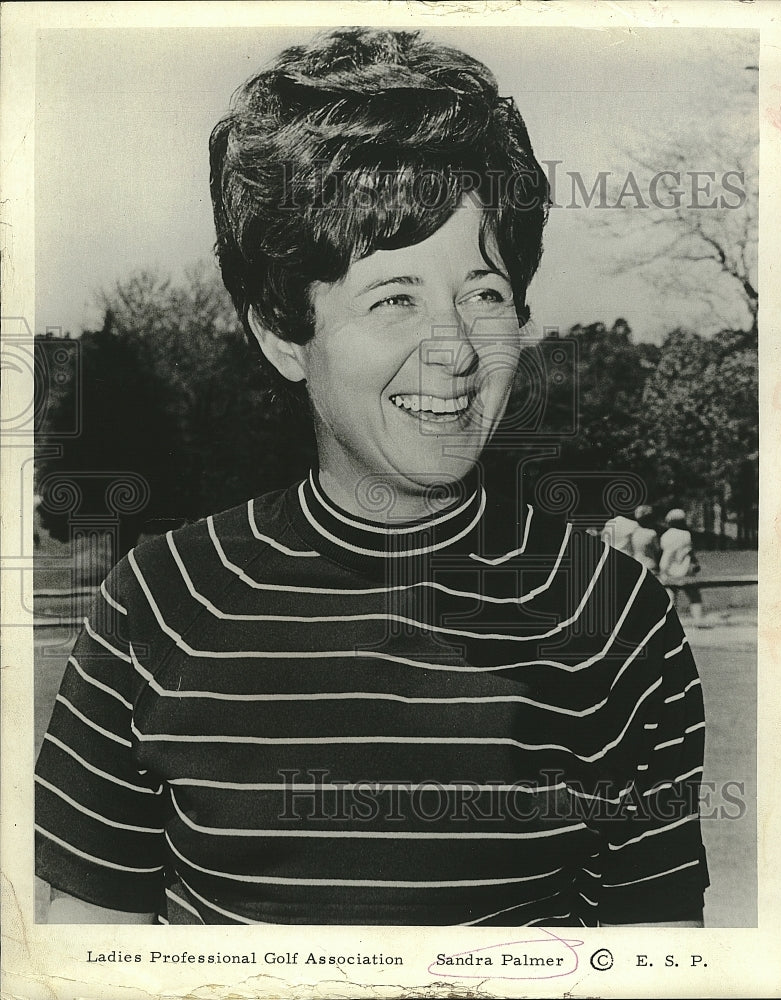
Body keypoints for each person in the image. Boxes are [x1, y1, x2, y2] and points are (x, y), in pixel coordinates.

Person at [35, 28, 708, 927]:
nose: (455, 349)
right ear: (283, 334)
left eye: (483, 294)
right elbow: (89, 949)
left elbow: (654, 958)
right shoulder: (155, 605)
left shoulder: (616, 615)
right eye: (393, 299)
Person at [660, 508, 707, 627]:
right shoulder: (686, 534)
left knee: (671, 595)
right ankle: (698, 620)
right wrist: (695, 563)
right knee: (694, 596)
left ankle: (669, 623)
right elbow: (689, 551)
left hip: (668, 569)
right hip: (684, 569)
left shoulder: (665, 536)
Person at [631, 504, 661, 573]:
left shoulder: (634, 532)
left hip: (636, 564)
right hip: (650, 565)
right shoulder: (652, 533)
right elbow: (658, 551)